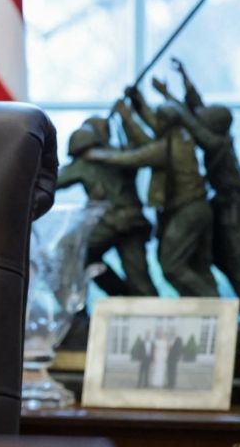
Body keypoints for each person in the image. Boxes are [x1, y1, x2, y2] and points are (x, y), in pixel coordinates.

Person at [153, 59, 240, 333]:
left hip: (235, 208)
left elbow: (191, 120)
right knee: (223, 259)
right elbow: (195, 110)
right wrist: (183, 80)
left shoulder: (217, 144)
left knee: (237, 261)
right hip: (223, 207)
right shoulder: (218, 137)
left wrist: (168, 98)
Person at [87, 86, 219, 298]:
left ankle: (213, 305)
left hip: (188, 210)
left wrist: (100, 152)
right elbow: (150, 132)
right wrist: (138, 104)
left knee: (171, 264)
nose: (155, 120)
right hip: (191, 209)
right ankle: (205, 308)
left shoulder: (167, 146)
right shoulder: (178, 137)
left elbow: (134, 156)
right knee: (195, 264)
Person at [56, 111, 158, 297]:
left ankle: (121, 300)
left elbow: (55, 182)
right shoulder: (122, 155)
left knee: (74, 251)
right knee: (138, 277)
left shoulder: (89, 162)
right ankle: (125, 298)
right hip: (133, 222)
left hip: (114, 222)